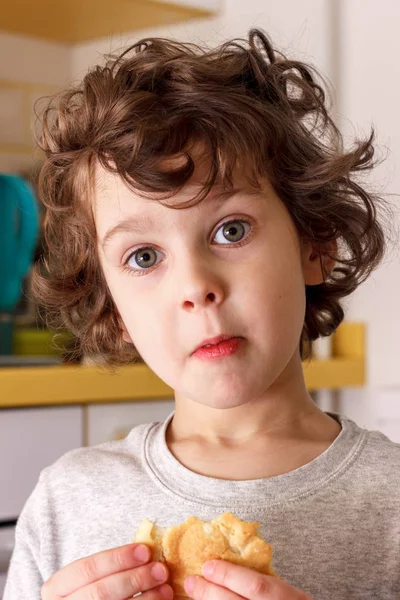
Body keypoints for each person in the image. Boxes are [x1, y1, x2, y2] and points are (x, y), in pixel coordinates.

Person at [4, 28, 400, 600]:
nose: (196, 287)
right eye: (143, 257)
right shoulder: (68, 501)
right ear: (112, 309)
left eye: (230, 230)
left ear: (315, 244)